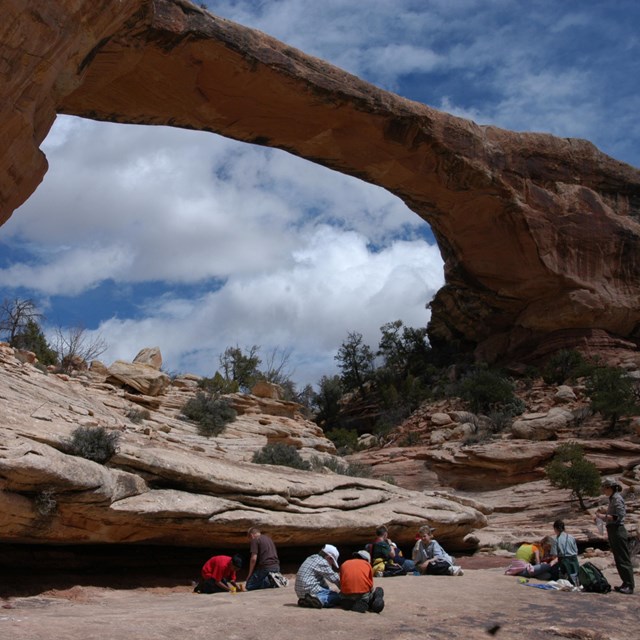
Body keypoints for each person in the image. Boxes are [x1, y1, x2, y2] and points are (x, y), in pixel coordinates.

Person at [595, 477, 635, 594]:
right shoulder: (612, 498)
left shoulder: (617, 499)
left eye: (604, 488)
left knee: (623, 558)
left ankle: (629, 585)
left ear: (610, 487)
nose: (603, 490)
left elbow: (619, 516)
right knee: (618, 558)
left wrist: (602, 517)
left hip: (618, 530)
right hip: (613, 530)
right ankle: (625, 582)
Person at [245, 526, 283, 590]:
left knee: (249, 585)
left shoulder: (255, 540)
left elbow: (253, 559)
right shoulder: (268, 538)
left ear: (251, 535)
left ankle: (269, 581)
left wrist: (249, 574)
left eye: (249, 538)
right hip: (276, 567)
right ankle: (273, 578)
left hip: (266, 567)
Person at [551, 519, 580, 585]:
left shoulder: (556, 539)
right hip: (574, 561)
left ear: (555, 529)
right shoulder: (571, 537)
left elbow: (554, 555)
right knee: (575, 576)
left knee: (553, 570)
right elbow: (576, 551)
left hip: (564, 562)